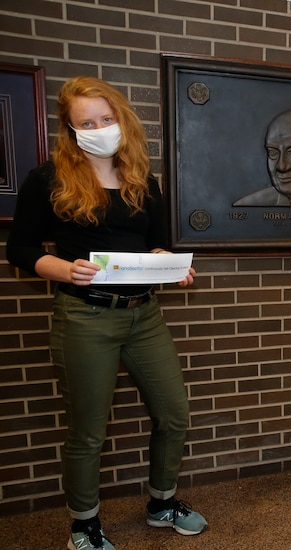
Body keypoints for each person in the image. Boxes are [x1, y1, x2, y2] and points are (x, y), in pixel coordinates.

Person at [6, 76, 207, 550]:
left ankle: (161, 503)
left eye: (107, 118)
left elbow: (156, 242)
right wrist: (61, 269)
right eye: (87, 122)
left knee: (174, 413)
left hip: (144, 315)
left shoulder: (142, 178)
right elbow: (20, 249)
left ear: (122, 119)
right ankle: (84, 525)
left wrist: (170, 267)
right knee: (88, 430)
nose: (99, 127)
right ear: (71, 129)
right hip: (84, 318)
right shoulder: (48, 178)